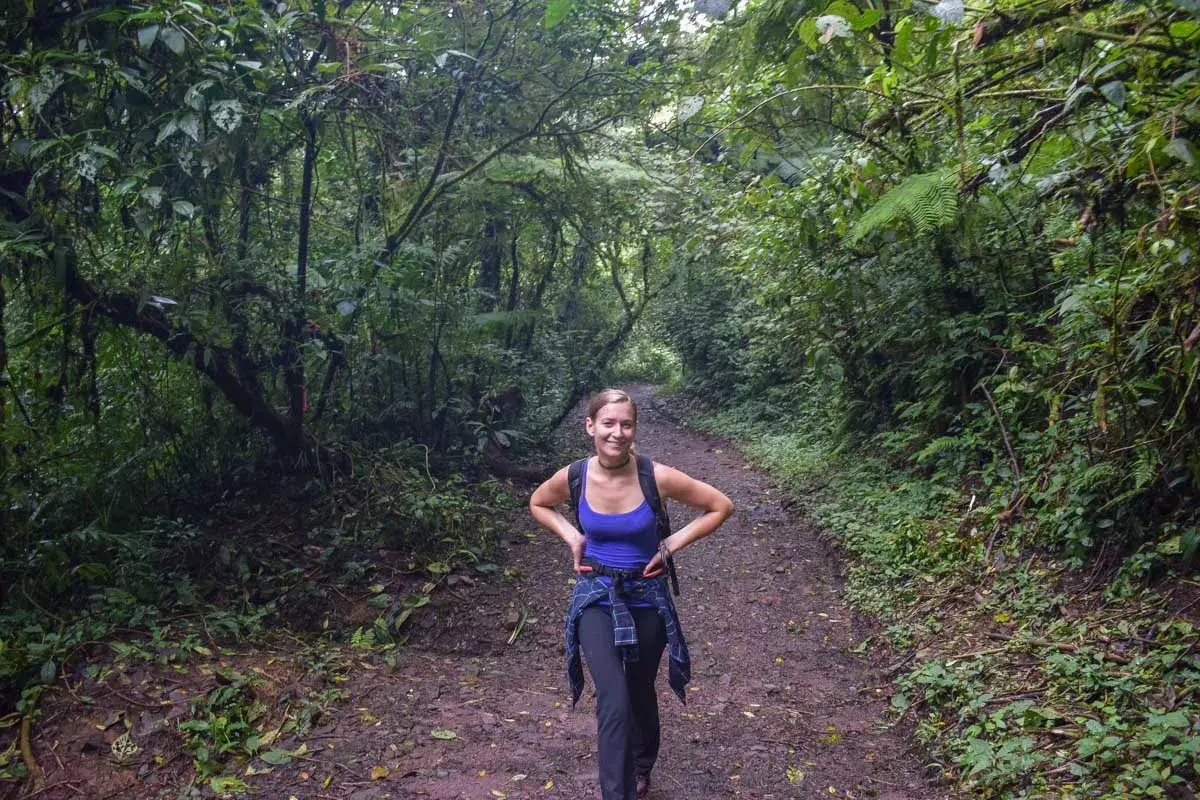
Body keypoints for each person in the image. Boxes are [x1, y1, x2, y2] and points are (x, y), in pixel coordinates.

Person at [529, 388, 734, 800]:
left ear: (634, 428)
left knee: (639, 688)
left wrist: (669, 545)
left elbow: (720, 505)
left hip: (647, 597)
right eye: (608, 423)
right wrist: (572, 535)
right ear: (590, 426)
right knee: (614, 696)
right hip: (595, 597)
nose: (617, 432)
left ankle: (642, 764)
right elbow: (538, 502)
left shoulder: (654, 476)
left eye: (625, 424)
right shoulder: (574, 476)